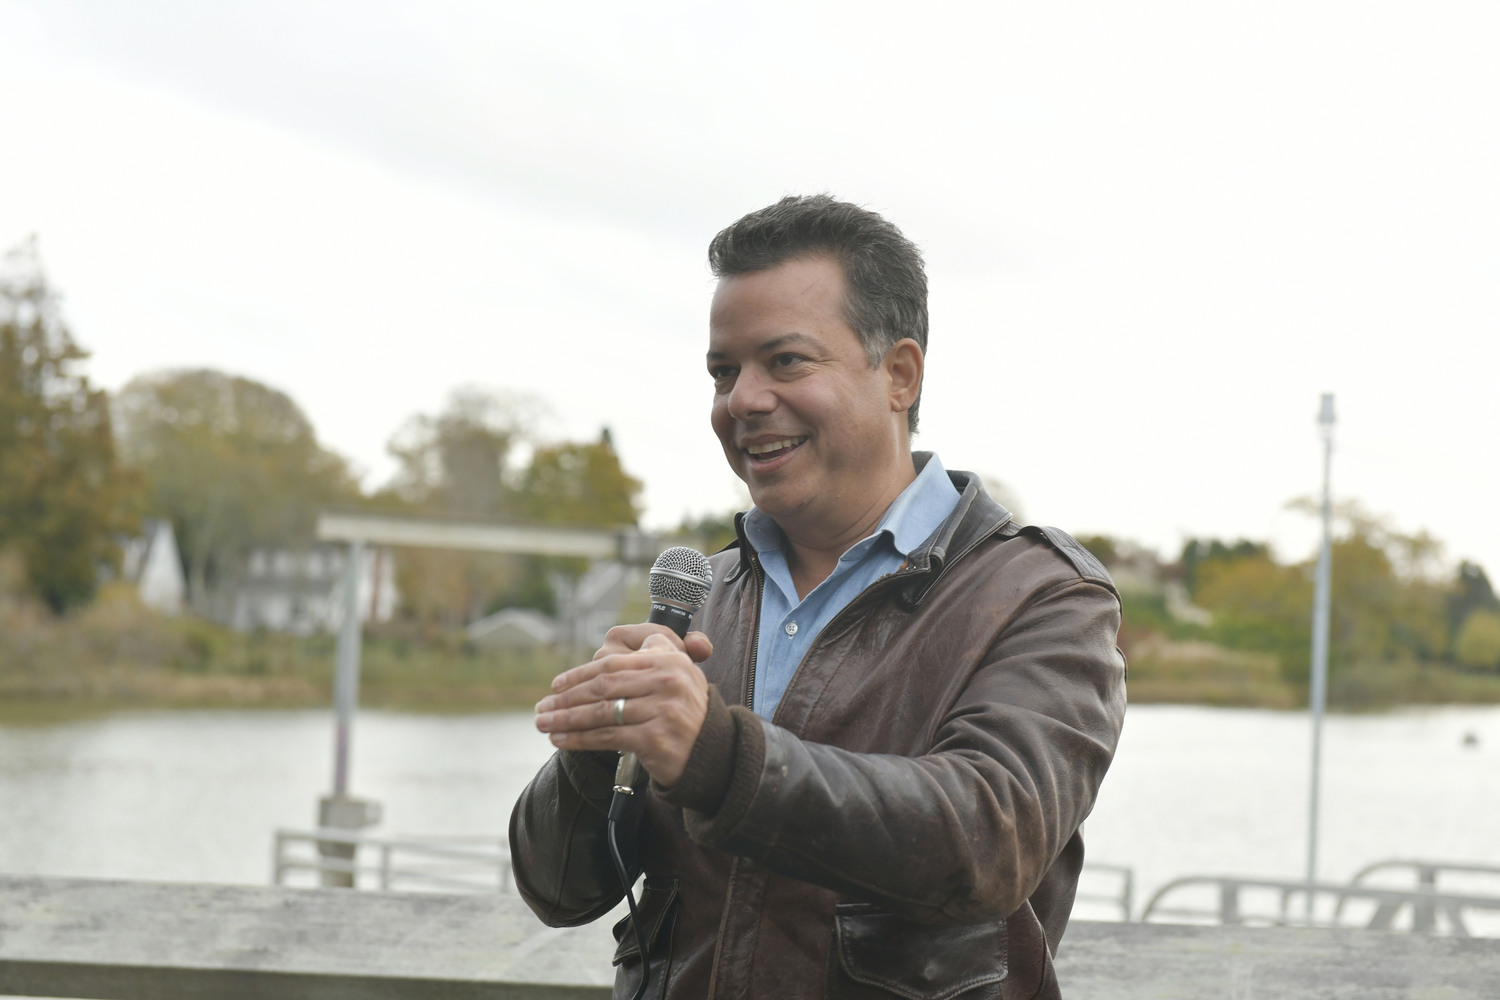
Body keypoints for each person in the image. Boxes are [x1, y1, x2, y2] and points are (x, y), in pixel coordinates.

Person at [511, 194, 1126, 1000]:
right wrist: (594, 753)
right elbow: (558, 894)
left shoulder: (1040, 597)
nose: (743, 400)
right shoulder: (704, 594)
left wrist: (712, 755)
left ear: (899, 374)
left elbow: (987, 839)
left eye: (786, 362)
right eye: (723, 371)